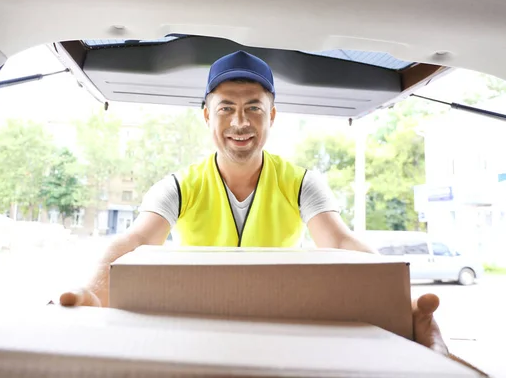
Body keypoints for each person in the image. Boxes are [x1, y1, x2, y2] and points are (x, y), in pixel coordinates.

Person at [60, 50, 448, 355]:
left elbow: (342, 243)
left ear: (272, 115)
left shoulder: (302, 183)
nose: (239, 123)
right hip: (197, 332)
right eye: (226, 108)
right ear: (206, 116)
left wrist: (403, 301)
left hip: (278, 334)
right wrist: (93, 291)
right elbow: (134, 243)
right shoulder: (178, 187)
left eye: (253, 109)